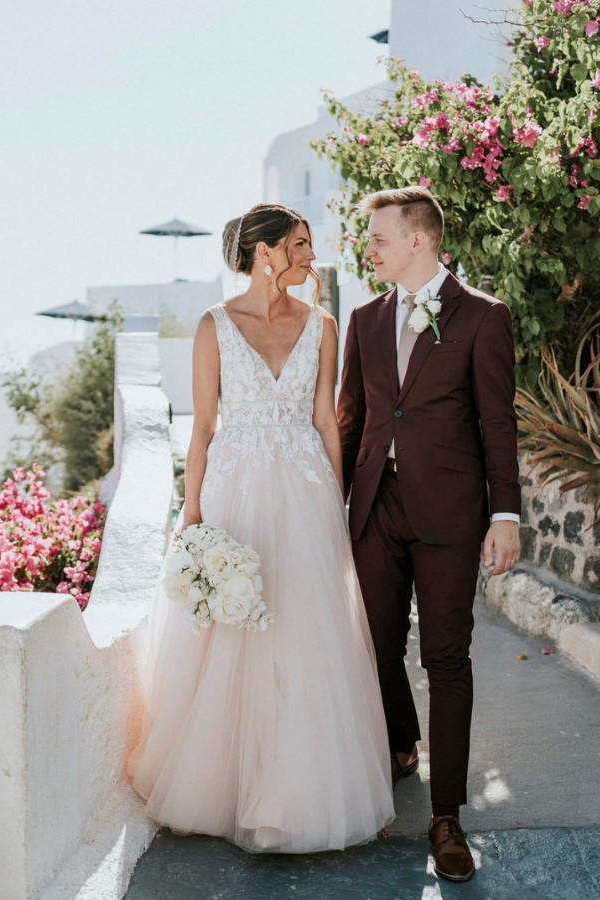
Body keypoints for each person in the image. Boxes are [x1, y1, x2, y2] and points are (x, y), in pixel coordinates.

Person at [129, 203, 394, 853]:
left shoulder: (324, 325)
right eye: (300, 245)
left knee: (305, 630)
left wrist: (336, 506)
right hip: (236, 489)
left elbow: (328, 422)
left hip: (305, 493)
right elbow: (203, 427)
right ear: (264, 252)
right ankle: (226, 784)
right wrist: (191, 514)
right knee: (235, 630)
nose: (310, 256)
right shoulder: (212, 325)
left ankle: (298, 789)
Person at [337, 187, 521, 882]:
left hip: (449, 511)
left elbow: (497, 423)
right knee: (374, 645)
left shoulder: (482, 317)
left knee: (447, 658)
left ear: (419, 239)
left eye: (380, 237)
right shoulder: (361, 318)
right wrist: (329, 507)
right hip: (374, 508)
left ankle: (446, 816)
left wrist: (506, 513)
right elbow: (349, 417)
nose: (371, 248)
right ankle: (401, 742)